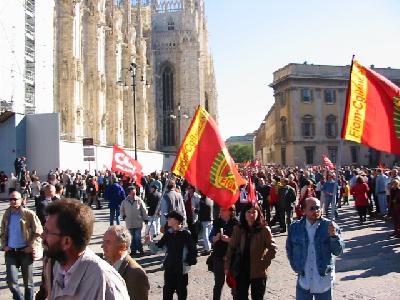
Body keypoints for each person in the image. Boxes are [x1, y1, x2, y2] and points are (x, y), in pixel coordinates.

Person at [40, 199, 130, 299]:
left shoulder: (104, 280)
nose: (42, 236)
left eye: (47, 232)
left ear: (66, 242)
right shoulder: (57, 267)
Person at [286, 197, 345, 300]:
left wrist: (334, 237)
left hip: (323, 281)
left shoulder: (330, 226)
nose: (316, 211)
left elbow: (338, 251)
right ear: (304, 210)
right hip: (304, 281)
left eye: (318, 208)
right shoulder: (295, 228)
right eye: (312, 208)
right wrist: (296, 266)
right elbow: (289, 249)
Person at [224, 203, 277, 300]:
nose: (251, 215)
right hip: (241, 269)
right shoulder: (238, 229)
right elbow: (231, 248)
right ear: (244, 213)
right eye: (248, 212)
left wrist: (264, 263)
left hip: (258, 271)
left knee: (257, 297)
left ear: (258, 213)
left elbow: (273, 248)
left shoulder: (264, 229)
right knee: (240, 296)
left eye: (254, 212)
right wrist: (227, 266)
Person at [0, 191, 43, 300]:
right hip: (11, 252)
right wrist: (4, 245)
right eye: (11, 199)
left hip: (25, 252)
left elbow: (38, 231)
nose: (13, 201)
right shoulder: (7, 214)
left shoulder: (28, 213)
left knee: (28, 283)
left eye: (15, 199)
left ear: (21, 200)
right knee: (11, 282)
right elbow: (2, 231)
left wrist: (31, 246)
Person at [156, 211, 197, 300]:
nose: (167, 220)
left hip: (181, 269)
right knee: (167, 293)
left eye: (170, 218)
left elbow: (193, 250)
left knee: (181, 293)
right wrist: (150, 242)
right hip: (169, 267)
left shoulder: (186, 234)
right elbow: (158, 247)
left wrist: (188, 262)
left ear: (177, 220)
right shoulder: (168, 233)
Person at [102, 225, 150, 299]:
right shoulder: (107, 265)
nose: (103, 246)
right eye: (103, 241)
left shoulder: (136, 274)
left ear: (122, 247)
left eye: (108, 242)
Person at [209, 205, 239, 300]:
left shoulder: (237, 223)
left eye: (223, 210)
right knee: (218, 283)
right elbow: (211, 237)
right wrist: (215, 238)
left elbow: (241, 241)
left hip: (233, 257)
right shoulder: (217, 222)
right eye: (220, 210)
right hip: (219, 256)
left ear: (230, 211)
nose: (220, 212)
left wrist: (229, 240)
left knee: (235, 283)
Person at [120, 186, 148, 256]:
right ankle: (133, 250)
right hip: (129, 222)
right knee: (131, 238)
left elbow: (144, 210)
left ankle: (140, 249)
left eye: (135, 193)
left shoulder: (139, 200)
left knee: (138, 237)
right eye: (132, 193)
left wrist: (145, 218)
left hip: (138, 222)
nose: (134, 194)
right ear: (129, 193)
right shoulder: (124, 201)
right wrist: (123, 216)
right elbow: (121, 210)